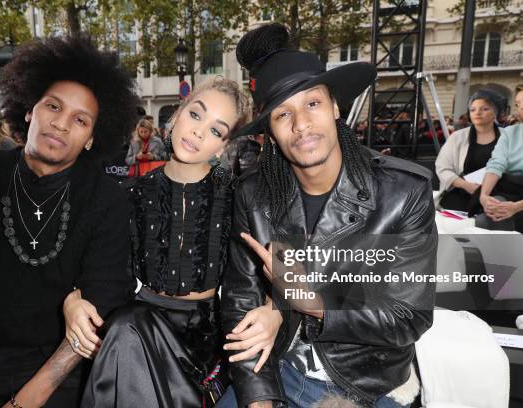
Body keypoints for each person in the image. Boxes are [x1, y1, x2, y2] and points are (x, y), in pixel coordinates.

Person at [0, 36, 138, 408]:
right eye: (53, 106)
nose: (61, 124)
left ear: (91, 139)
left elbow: (102, 301)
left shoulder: (106, 197)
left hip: (71, 373)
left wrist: (25, 402)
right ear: (30, 109)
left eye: (80, 120)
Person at [221, 24, 437, 408]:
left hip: (367, 384)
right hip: (277, 370)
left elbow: (408, 317)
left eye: (312, 104)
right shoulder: (252, 195)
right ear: (268, 132)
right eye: (282, 114)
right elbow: (240, 304)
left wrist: (313, 303)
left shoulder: (403, 193)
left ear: (335, 106)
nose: (301, 124)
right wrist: (258, 399)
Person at [62, 77, 281, 408]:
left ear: (223, 146)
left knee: (126, 330)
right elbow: (90, 265)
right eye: (195, 115)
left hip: (206, 340)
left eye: (216, 130)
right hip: (138, 327)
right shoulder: (128, 194)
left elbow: (286, 269)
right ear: (177, 114)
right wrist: (72, 300)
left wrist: (275, 310)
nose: (197, 132)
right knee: (126, 328)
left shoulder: (239, 195)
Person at [435, 89, 504, 212]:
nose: (477, 113)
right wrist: (467, 186)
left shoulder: (507, 137)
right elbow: (443, 168)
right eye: (473, 109)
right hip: (461, 192)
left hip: (498, 193)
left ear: (495, 113)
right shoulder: (457, 137)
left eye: (484, 109)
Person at [478, 84, 523, 232]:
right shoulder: (510, 132)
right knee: (493, 215)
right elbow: (496, 165)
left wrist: (516, 207)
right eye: (518, 104)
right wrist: (484, 196)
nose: (520, 107)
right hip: (509, 188)